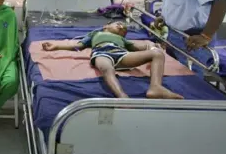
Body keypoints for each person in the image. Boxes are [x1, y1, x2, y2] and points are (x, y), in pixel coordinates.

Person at [42, 21, 183, 99]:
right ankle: (121, 96)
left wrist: (153, 46)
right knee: (107, 69)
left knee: (158, 54)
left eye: (124, 28)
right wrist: (56, 46)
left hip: (121, 54)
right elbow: (77, 45)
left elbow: (141, 46)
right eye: (118, 24)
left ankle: (155, 87)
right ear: (105, 26)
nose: (122, 27)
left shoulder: (123, 40)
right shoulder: (96, 33)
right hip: (102, 53)